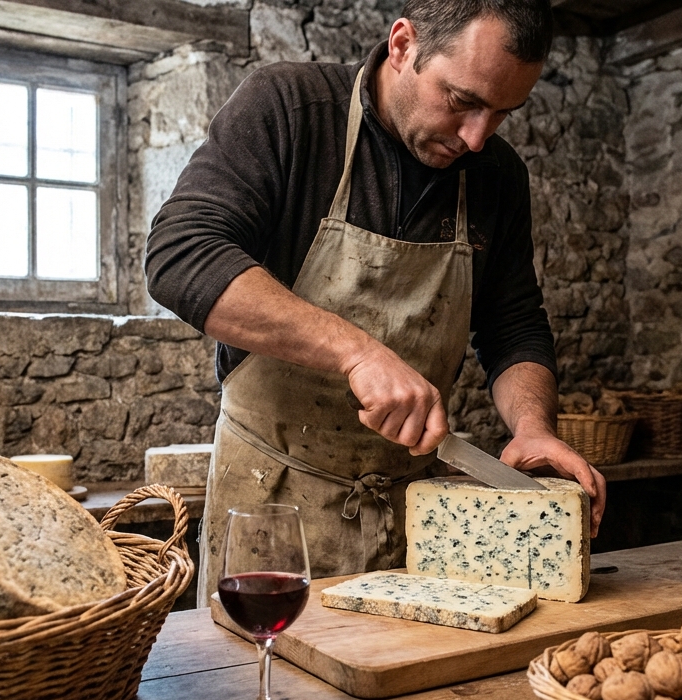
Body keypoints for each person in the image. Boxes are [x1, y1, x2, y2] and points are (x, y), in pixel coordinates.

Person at [146, 0, 607, 604]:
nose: (477, 137)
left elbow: (512, 323)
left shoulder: (497, 175)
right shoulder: (289, 109)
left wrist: (533, 427)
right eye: (463, 100)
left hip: (417, 519)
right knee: (266, 687)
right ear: (402, 45)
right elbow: (182, 254)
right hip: (273, 511)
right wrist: (356, 351)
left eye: (502, 113)